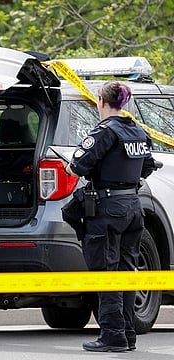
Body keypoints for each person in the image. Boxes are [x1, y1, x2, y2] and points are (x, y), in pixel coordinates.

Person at [65, 81, 158, 352]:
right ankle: (127, 334)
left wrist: (73, 169)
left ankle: (112, 335)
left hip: (107, 209)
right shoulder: (138, 131)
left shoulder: (105, 132)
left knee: (106, 273)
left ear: (101, 103)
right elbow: (149, 166)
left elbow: (77, 167)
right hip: (133, 206)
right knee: (127, 272)